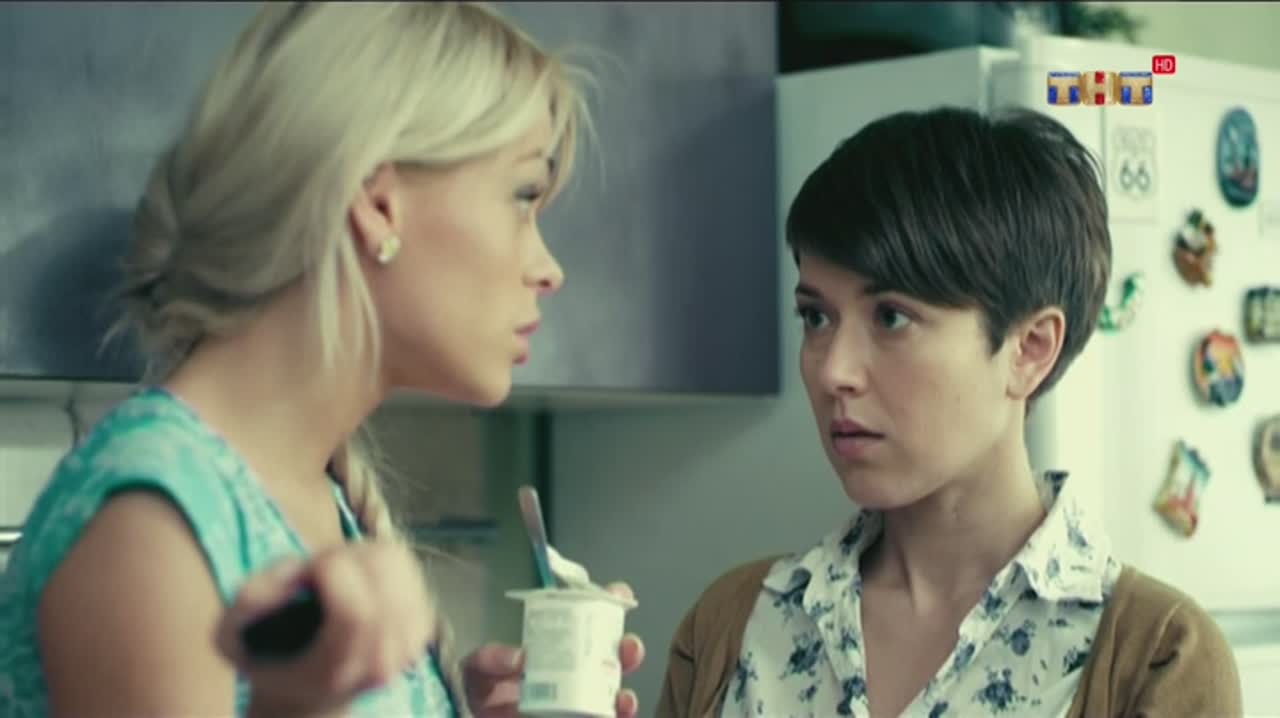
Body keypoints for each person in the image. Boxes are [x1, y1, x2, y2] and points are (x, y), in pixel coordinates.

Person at [0, 3, 645, 717]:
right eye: (522, 197)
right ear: (377, 204)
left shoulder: (307, 495)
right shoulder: (151, 531)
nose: (548, 268)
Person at [657, 107, 1241, 717]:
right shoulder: (731, 627)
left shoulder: (1156, 656)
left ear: (1029, 349)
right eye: (816, 317)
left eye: (891, 317)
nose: (833, 371)